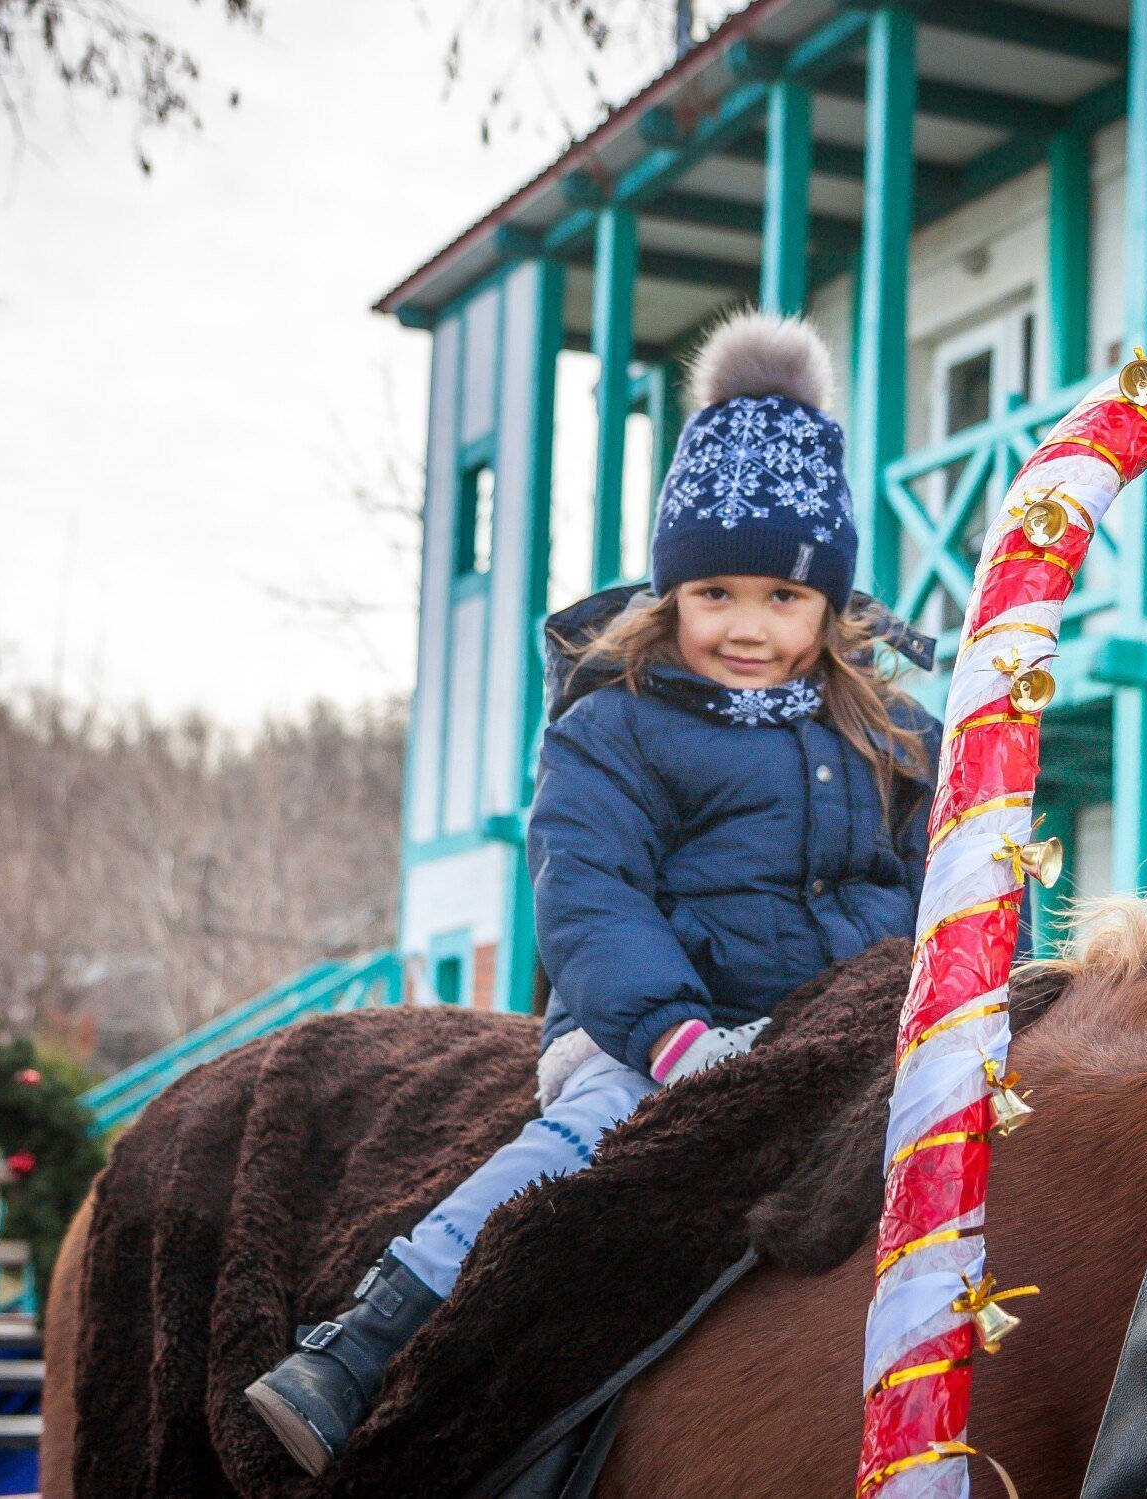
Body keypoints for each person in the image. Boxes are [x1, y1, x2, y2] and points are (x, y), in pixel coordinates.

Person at [244, 310, 942, 1474]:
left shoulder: (892, 731)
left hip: (850, 1024)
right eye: (714, 592)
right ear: (672, 593)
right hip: (665, 1028)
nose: (747, 626)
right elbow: (592, 891)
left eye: (782, 597)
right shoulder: (615, 721)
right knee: (586, 1130)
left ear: (831, 608)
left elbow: (939, 879)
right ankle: (371, 1334)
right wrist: (671, 1033)